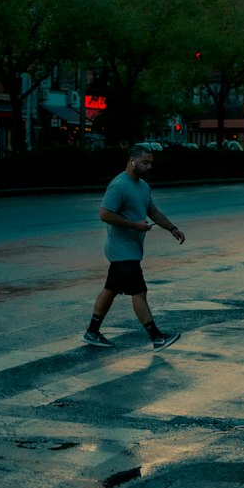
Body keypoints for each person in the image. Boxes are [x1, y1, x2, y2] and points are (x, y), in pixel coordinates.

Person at [83, 144, 185, 350]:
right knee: (139, 293)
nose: (149, 166)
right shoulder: (119, 185)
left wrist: (172, 228)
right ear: (132, 161)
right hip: (122, 250)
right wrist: (135, 225)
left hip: (130, 250)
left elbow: (153, 211)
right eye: (145, 162)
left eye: (150, 163)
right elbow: (104, 214)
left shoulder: (143, 186)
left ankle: (92, 332)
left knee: (110, 289)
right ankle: (157, 337)